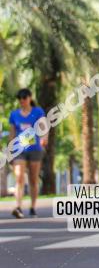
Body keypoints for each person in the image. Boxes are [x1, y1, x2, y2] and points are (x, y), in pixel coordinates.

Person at [9, 89, 47, 218]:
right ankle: (18, 207)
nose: (21, 100)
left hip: (35, 149)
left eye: (24, 97)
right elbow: (12, 133)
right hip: (20, 151)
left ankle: (32, 207)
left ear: (30, 98)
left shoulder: (38, 112)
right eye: (19, 97)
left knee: (33, 179)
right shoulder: (14, 115)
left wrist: (44, 138)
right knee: (19, 177)